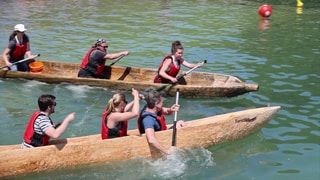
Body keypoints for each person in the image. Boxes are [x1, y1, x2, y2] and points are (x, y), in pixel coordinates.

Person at [137, 89, 188, 155]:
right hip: (158, 143)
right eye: (161, 102)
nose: (163, 103)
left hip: (162, 135)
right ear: (156, 104)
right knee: (180, 123)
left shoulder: (153, 108)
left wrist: (171, 109)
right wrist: (167, 151)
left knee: (180, 122)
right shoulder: (148, 119)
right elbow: (151, 140)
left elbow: (167, 111)